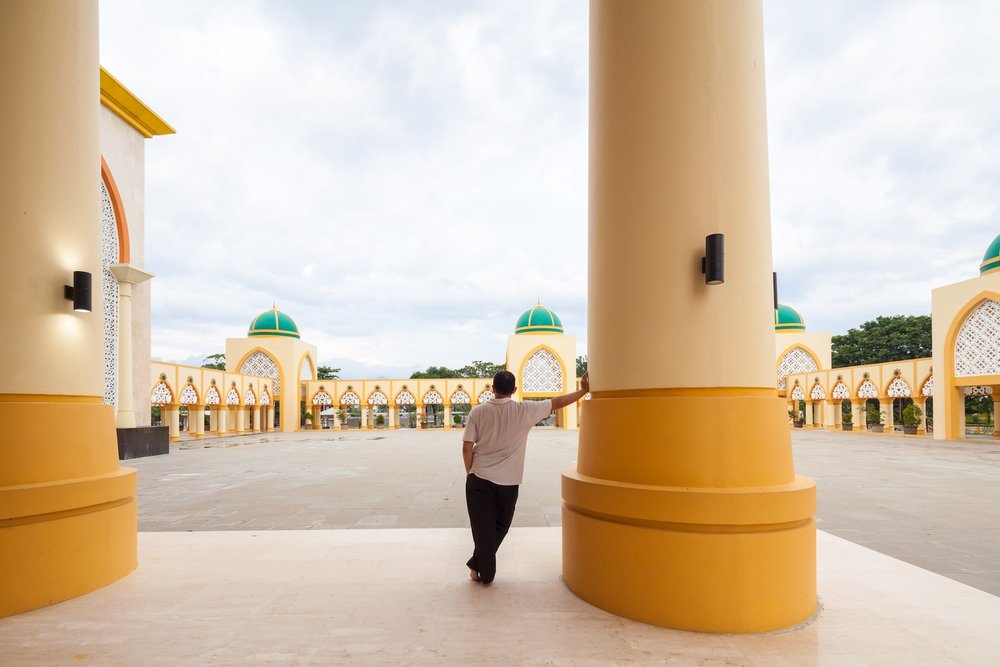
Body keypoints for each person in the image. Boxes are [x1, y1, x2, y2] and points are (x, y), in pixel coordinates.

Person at [462, 369, 590, 585]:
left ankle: (479, 566)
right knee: (500, 526)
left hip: (479, 479)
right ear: (514, 390)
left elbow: (467, 447)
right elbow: (557, 402)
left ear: (492, 389)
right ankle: (483, 570)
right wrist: (584, 390)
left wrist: (470, 473)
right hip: (509, 483)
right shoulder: (525, 410)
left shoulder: (478, 412)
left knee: (482, 528)